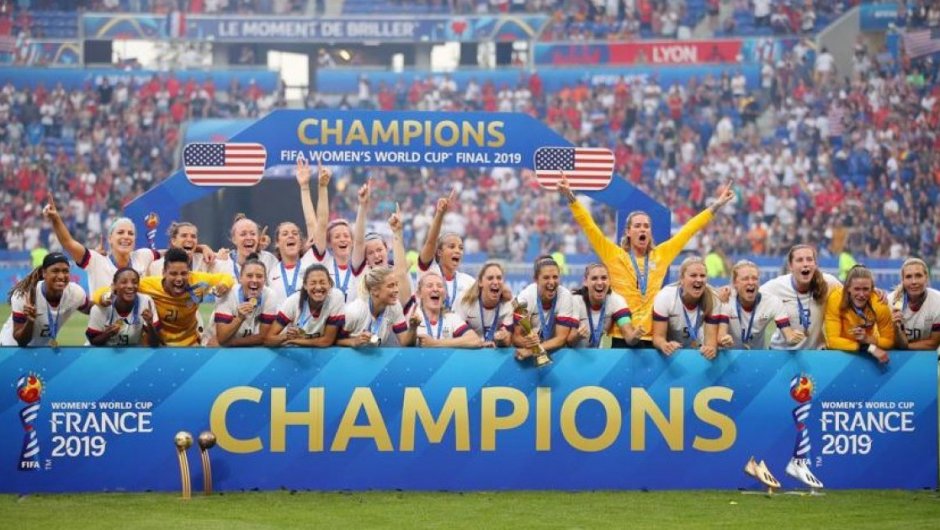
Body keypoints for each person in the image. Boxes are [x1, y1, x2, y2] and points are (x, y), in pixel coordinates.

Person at [558, 173, 735, 347]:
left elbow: (688, 230)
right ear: (627, 231)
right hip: (621, 335)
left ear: (650, 232)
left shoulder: (661, 255)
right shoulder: (614, 255)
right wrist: (571, 198)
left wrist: (717, 205)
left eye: (646, 226)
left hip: (652, 336)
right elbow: (590, 227)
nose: (642, 230)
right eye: (637, 226)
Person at [91, 248, 234, 346]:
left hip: (190, 344)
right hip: (158, 345)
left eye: (184, 273)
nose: (179, 279)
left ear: (189, 272)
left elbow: (226, 278)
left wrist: (224, 285)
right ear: (164, 272)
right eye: (173, 274)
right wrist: (105, 297)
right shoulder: (148, 285)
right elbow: (103, 292)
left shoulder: (199, 281)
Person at [44, 196, 159, 293]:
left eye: (130, 233)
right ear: (110, 239)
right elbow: (68, 243)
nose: (126, 236)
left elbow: (168, 255)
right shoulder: (96, 261)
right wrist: (56, 219)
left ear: (135, 239)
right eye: (120, 232)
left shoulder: (143, 255)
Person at [761, 244, 842, 350]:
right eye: (799, 260)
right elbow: (751, 302)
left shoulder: (829, 283)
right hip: (780, 353)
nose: (805, 264)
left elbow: (850, 299)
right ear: (790, 266)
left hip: (814, 355)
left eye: (809, 259)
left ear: (815, 264)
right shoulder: (776, 286)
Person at [1, 252, 91, 347]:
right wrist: (30, 322)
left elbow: (91, 309)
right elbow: (21, 341)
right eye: (55, 271)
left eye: (65, 271)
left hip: (41, 352)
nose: (61, 276)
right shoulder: (24, 295)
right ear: (44, 273)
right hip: (10, 350)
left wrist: (103, 298)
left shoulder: (76, 293)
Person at [310, 159, 367, 302]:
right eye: (337, 236)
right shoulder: (324, 262)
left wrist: (362, 205)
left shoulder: (356, 263)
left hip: (353, 324)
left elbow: (360, 241)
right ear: (328, 243)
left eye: (346, 236)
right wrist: (323, 188)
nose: (343, 239)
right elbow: (322, 223)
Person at [651, 256, 725, 359]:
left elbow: (710, 342)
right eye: (693, 275)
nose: (699, 280)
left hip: (699, 351)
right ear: (681, 278)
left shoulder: (713, 298)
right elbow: (658, 337)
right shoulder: (665, 297)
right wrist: (664, 345)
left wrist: (710, 349)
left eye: (702, 276)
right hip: (671, 353)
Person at [717, 260, 801, 349]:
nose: (751, 282)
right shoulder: (726, 299)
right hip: (730, 358)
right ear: (735, 283)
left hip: (757, 357)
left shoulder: (771, 302)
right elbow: (721, 336)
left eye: (755, 278)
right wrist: (724, 340)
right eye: (745, 279)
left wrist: (793, 338)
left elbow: (788, 335)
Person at [417, 189, 475, 310]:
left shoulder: (469, 282)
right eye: (451, 246)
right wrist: (440, 214)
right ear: (439, 252)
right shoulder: (428, 270)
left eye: (461, 248)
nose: (457, 251)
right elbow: (431, 242)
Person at [512, 255, 578, 361]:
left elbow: (561, 338)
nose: (551, 282)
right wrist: (527, 342)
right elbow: (516, 337)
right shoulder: (524, 298)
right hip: (527, 355)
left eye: (555, 277)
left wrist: (533, 350)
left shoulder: (565, 296)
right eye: (546, 277)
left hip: (554, 354)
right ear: (536, 280)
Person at [824, 265, 894, 363]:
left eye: (866, 289)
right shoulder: (836, 299)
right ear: (848, 288)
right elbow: (832, 341)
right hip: (842, 352)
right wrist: (868, 347)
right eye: (857, 289)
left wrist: (867, 339)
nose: (861, 294)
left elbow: (889, 342)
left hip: (867, 355)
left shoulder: (879, 304)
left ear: (872, 289)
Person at [264, 264, 345, 347]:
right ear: (305, 285)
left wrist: (294, 340)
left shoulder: (336, 297)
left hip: (317, 351)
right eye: (313, 283)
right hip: (293, 351)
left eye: (322, 282)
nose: (318, 287)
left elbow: (327, 341)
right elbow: (268, 340)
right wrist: (286, 336)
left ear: (330, 284)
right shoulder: (293, 301)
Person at [338, 267, 414, 347]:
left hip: (375, 358)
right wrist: (353, 341)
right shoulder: (355, 311)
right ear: (375, 291)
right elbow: (333, 341)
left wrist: (413, 327)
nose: (396, 290)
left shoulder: (395, 306)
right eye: (390, 286)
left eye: (396, 284)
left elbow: (405, 343)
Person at [567, 263, 638, 348]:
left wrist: (635, 337)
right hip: (571, 356)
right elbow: (569, 341)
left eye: (604, 278)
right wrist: (577, 336)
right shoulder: (575, 300)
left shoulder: (616, 301)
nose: (600, 282)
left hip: (599, 356)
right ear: (585, 282)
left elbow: (629, 336)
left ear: (609, 281)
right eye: (594, 278)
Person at [214, 254, 278, 347]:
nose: (255, 280)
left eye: (259, 276)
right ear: (240, 278)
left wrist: (232, 343)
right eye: (249, 276)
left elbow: (264, 337)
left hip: (239, 344)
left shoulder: (270, 295)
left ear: (265, 280)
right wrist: (239, 318)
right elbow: (222, 338)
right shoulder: (227, 294)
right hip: (215, 347)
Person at [86, 268, 161, 346]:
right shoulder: (101, 307)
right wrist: (107, 334)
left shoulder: (145, 301)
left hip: (130, 354)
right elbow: (93, 342)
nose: (130, 286)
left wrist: (150, 324)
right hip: (103, 354)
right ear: (114, 286)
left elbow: (154, 343)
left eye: (134, 282)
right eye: (124, 282)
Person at [408, 272, 480, 348]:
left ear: (445, 295)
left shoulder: (452, 318)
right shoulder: (413, 316)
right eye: (429, 286)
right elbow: (406, 345)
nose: (435, 289)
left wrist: (435, 344)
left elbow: (475, 340)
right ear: (419, 294)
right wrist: (412, 329)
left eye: (439, 286)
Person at [454, 262, 515, 348]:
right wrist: (478, 343)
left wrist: (502, 339)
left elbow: (507, 341)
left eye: (499, 278)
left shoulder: (508, 305)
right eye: (490, 278)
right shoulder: (465, 302)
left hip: (495, 353)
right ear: (480, 282)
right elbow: (456, 335)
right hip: (469, 351)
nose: (495, 282)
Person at [888, 258, 940, 350]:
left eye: (918, 276)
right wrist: (896, 329)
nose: (914, 282)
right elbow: (892, 342)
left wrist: (906, 346)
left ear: (926, 278)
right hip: (897, 358)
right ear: (902, 280)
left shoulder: (938, 301)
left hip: (928, 357)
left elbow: (933, 343)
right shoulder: (891, 302)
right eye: (908, 277)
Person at [147, 222, 218, 276]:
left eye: (193, 236)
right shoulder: (157, 266)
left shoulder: (207, 262)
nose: (189, 240)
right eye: (184, 236)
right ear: (173, 241)